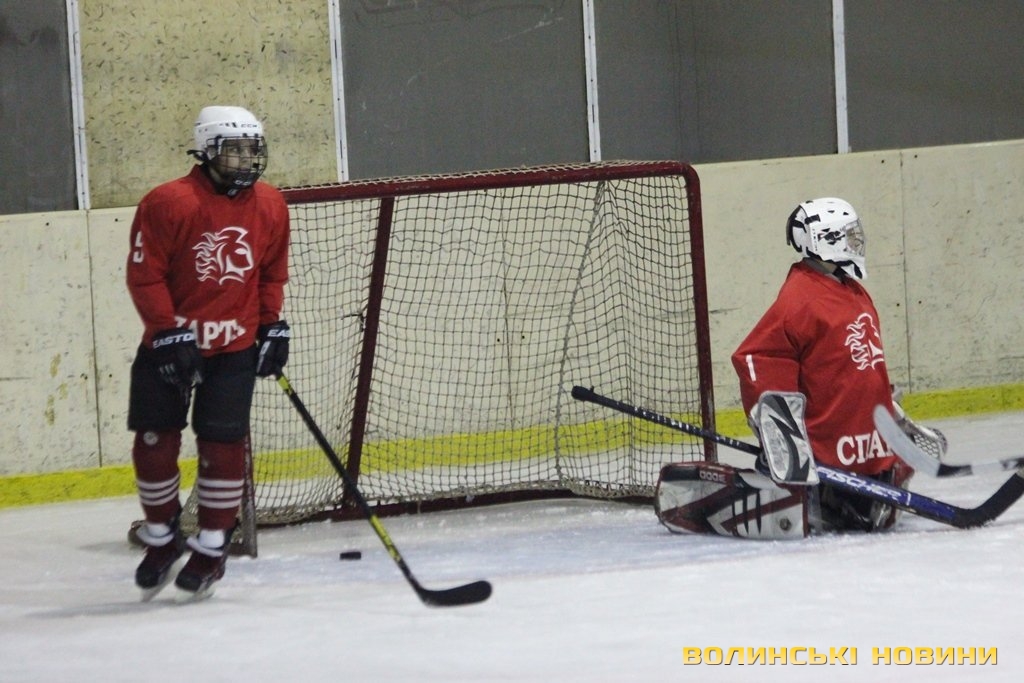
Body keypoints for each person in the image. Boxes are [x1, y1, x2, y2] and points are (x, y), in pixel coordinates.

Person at [126, 105, 291, 596]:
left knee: (223, 443)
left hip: (232, 347)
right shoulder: (168, 202)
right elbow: (145, 275)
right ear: (206, 150)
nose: (245, 159)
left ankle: (213, 546)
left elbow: (270, 273)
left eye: (251, 149)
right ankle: (162, 537)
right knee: (154, 441)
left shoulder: (271, 204)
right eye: (233, 149)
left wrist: (271, 324)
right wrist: (166, 331)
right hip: (170, 347)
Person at [729, 197, 912, 533]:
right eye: (848, 234)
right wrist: (781, 427)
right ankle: (827, 495)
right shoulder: (801, 299)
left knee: (870, 511)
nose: (856, 241)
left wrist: (884, 403)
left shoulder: (851, 290)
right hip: (831, 453)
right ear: (823, 239)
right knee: (859, 514)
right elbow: (755, 357)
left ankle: (874, 481)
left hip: (863, 443)